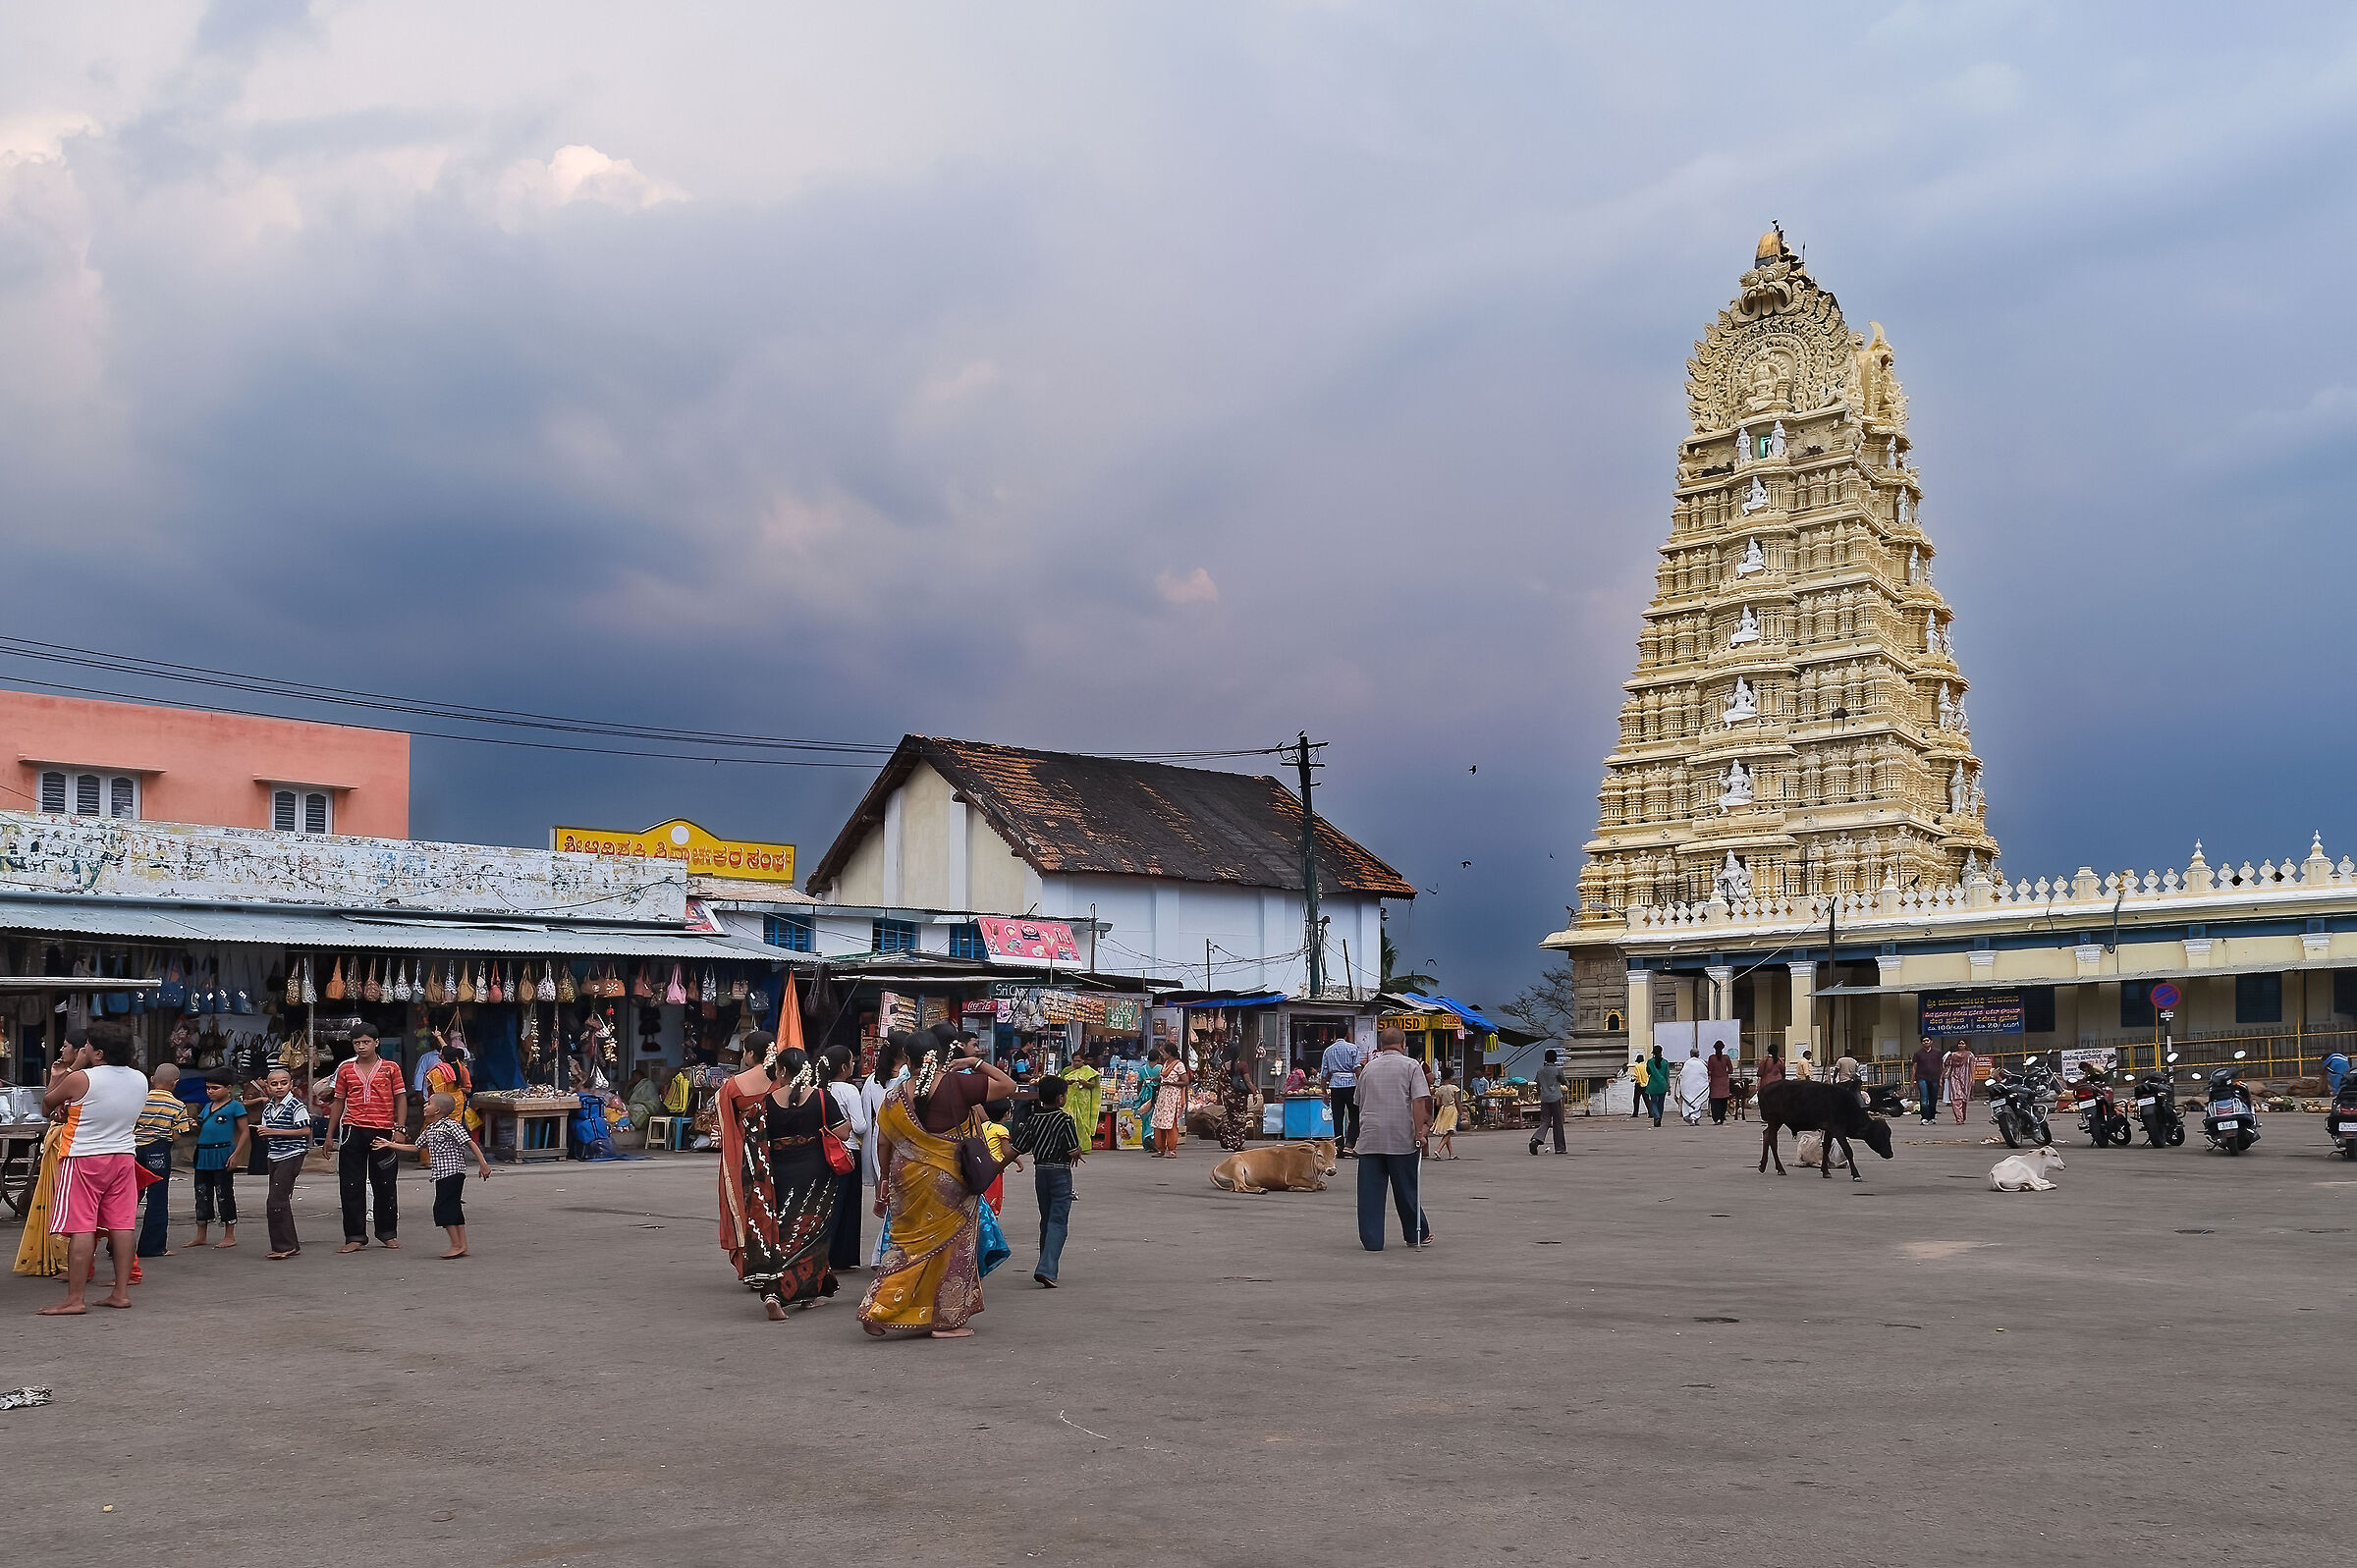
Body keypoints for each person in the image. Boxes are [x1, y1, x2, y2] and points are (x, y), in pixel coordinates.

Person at [860, 1041, 1020, 1338]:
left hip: (907, 1182)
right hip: (950, 1182)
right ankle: (944, 1321)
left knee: (906, 1247)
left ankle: (878, 1307)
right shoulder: (957, 1085)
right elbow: (1008, 1086)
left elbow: (883, 1143)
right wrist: (973, 1063)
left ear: (907, 1058)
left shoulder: (894, 1096)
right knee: (951, 1247)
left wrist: (884, 1180)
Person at [715, 1029, 851, 1321]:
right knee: (810, 1232)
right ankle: (795, 1294)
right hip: (816, 1173)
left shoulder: (767, 1102)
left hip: (778, 1174)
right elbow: (843, 1131)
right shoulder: (821, 1098)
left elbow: (753, 1139)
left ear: (780, 1070)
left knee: (783, 1231)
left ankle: (782, 1293)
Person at [36, 1027, 147, 1314]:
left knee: (81, 1227)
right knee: (122, 1225)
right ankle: (120, 1293)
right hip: (123, 1155)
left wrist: (68, 1070)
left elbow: (47, 1104)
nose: (82, 1050)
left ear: (98, 1053)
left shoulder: (81, 1077)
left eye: (86, 1047)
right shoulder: (139, 1079)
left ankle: (75, 1299)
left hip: (83, 1156)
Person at [371, 1092, 492, 1260]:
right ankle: (462, 1245)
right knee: (453, 1207)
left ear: (438, 1110)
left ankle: (456, 1245)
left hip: (453, 1172)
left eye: (429, 1104)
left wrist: (483, 1163)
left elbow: (469, 1143)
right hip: (441, 1174)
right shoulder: (430, 1128)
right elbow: (416, 1147)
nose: (424, 1106)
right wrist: (390, 1144)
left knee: (443, 1208)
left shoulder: (451, 1125)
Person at [1352, 1028, 1431, 1252]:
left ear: (1381, 1044)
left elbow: (1358, 1102)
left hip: (1370, 1138)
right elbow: (1418, 1101)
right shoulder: (1411, 1066)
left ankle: (1372, 1240)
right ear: (1403, 1043)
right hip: (1401, 1137)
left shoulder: (1368, 1069)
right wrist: (1419, 1133)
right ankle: (1416, 1234)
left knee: (1370, 1193)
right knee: (1406, 1189)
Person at [330, 1025, 406, 1252]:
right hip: (352, 1130)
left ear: (376, 1042)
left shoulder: (391, 1068)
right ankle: (354, 1236)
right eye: (357, 1043)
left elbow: (400, 1098)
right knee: (350, 1184)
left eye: (366, 1042)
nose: (361, 1047)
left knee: (385, 1183)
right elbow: (338, 1102)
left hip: (382, 1132)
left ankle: (387, 1232)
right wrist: (328, 1135)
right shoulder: (345, 1069)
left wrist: (400, 1128)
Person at [1009, 1073, 1082, 1286]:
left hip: (1040, 1172)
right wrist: (1076, 1153)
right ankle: (1047, 1268)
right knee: (1058, 1220)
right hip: (1060, 1171)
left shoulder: (1033, 1120)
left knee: (1046, 1218)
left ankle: (1045, 1263)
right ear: (1061, 1098)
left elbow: (1019, 1147)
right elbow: (1072, 1148)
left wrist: (1000, 1163)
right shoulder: (1064, 1119)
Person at [136, 1061, 195, 1259]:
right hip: (158, 1151)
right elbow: (178, 1135)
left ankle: (116, 1245)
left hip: (133, 1150)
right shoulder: (177, 1106)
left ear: (152, 1080)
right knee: (157, 1199)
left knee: (128, 1197)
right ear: (175, 1083)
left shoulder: (138, 1099)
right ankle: (152, 1247)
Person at [822, 1046, 870, 1272]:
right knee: (847, 1204)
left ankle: (824, 1253)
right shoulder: (849, 1090)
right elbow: (860, 1125)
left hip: (824, 1152)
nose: (854, 1065)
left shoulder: (819, 1088)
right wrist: (848, 1124)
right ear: (844, 1067)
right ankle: (842, 1254)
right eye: (852, 1061)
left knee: (829, 1203)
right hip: (847, 1151)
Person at [189, 1073, 249, 1250]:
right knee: (201, 1194)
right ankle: (201, 1235)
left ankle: (229, 1235)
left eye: (215, 1088)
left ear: (228, 1088)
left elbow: (244, 1132)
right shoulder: (207, 1107)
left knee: (224, 1194)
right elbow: (201, 1129)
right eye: (208, 1088)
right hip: (203, 1154)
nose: (210, 1091)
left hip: (222, 1153)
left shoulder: (235, 1107)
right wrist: (193, 1126)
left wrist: (236, 1154)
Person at [257, 1066, 311, 1260]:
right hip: (275, 1156)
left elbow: (305, 1131)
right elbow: (267, 1128)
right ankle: (288, 1244)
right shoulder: (269, 1107)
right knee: (279, 1200)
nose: (279, 1087)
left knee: (276, 1200)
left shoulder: (297, 1106)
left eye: (283, 1083)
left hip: (292, 1154)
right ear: (268, 1086)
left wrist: (273, 1132)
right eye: (274, 1084)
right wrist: (265, 1132)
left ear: (290, 1084)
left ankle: (285, 1246)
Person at [1320, 1033, 1364, 1155]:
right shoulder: (1353, 1048)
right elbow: (1357, 1069)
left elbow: (1324, 1073)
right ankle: (1349, 1145)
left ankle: (1339, 1146)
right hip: (1351, 1085)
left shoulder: (1328, 1050)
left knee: (1337, 1117)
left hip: (1335, 1086)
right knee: (1355, 1115)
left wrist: (1324, 1092)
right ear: (1347, 1035)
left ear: (1334, 1035)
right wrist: (1362, 1085)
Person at [1149, 1047, 1191, 1159]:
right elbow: (1162, 1078)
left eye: (1163, 1052)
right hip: (1163, 1097)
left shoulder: (1179, 1065)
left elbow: (1185, 1081)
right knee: (1159, 1122)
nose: (1162, 1054)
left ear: (1169, 1053)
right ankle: (1160, 1149)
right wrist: (1156, 1079)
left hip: (1172, 1096)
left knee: (1170, 1123)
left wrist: (1171, 1084)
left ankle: (1172, 1149)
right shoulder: (1166, 1063)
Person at [1061, 1048, 1104, 1155]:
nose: (1076, 1063)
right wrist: (1067, 1083)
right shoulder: (1066, 1070)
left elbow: (1093, 1085)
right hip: (1069, 1099)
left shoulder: (1088, 1071)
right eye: (1074, 1060)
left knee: (1082, 1123)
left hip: (1083, 1101)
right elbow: (1060, 1083)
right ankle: (1068, 1146)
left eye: (1079, 1061)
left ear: (1083, 1061)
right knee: (1069, 1121)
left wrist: (1083, 1082)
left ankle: (1083, 1146)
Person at [1527, 1049, 1568, 1156]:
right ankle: (1560, 1148)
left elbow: (1537, 1084)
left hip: (1544, 1098)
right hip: (1555, 1098)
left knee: (1545, 1121)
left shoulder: (1540, 1070)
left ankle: (1536, 1139)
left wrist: (1541, 1092)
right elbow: (1564, 1081)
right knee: (1557, 1123)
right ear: (1555, 1059)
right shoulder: (1558, 1070)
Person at [1217, 1045, 1253, 1153]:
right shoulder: (1242, 1065)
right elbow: (1247, 1081)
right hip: (1239, 1097)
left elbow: (1219, 1083)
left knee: (1231, 1118)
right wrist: (1254, 1092)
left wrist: (1219, 1097)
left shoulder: (1224, 1067)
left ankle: (1226, 1138)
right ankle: (1237, 1143)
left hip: (1227, 1097)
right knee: (1240, 1120)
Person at [1430, 1064, 1461, 1160]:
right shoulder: (1454, 1088)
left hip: (1443, 1110)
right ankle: (1438, 1150)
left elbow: (1438, 1104)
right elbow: (1457, 1101)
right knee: (1449, 1132)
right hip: (1452, 1110)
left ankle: (1451, 1154)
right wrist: (1461, 1112)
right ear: (1451, 1077)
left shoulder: (1440, 1089)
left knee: (1447, 1132)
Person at [1912, 1038, 1946, 1124]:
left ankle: (1932, 1117)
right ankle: (1924, 1118)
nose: (1926, 1042)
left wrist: (1941, 1078)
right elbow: (1914, 1067)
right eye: (1924, 1041)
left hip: (1934, 1078)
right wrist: (1912, 1080)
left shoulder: (1937, 1053)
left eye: (1927, 1040)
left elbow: (1942, 1066)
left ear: (1931, 1041)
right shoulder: (1918, 1054)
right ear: (1921, 1043)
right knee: (1924, 1098)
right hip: (1921, 1078)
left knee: (1933, 1099)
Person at [1944, 1043, 1977, 1125]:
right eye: (1959, 1043)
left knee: (1964, 1099)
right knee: (1955, 1098)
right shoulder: (1952, 1055)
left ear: (1966, 1045)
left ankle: (1962, 1116)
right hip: (1954, 1077)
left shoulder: (1970, 1055)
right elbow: (1946, 1066)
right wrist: (1942, 1077)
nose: (1961, 1045)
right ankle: (1959, 1118)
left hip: (1966, 1078)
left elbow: (1972, 1067)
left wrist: (1973, 1079)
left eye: (1963, 1043)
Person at [1677, 1047, 1710, 1125]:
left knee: (1689, 1102)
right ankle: (1694, 1118)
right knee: (1697, 1102)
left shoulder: (1687, 1063)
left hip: (1688, 1088)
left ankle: (1691, 1117)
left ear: (1691, 1054)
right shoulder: (1702, 1063)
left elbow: (1683, 1075)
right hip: (1698, 1088)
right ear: (1698, 1055)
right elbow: (1705, 1075)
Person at [1641, 1046, 1671, 1127]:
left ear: (1653, 1053)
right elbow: (1667, 1075)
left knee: (1654, 1103)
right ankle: (1659, 1118)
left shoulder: (1650, 1062)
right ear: (1661, 1052)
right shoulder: (1665, 1062)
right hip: (1662, 1085)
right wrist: (1668, 1087)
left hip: (1653, 1085)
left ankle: (1656, 1117)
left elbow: (1648, 1072)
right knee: (1661, 1103)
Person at [1706, 1042, 1733, 1124]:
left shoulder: (1711, 1058)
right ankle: (1722, 1117)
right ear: (1723, 1048)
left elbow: (1709, 1070)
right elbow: (1731, 1070)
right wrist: (1725, 1073)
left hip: (1714, 1082)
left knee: (1715, 1102)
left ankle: (1716, 1118)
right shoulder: (1726, 1058)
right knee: (1724, 1101)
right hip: (1724, 1081)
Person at [1627, 1054, 1648, 1118]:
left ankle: (1635, 1113)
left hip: (1639, 1084)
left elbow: (1636, 1076)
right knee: (1646, 1099)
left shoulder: (1637, 1066)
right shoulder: (1646, 1066)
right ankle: (1651, 1113)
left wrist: (1632, 1079)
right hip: (1646, 1083)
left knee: (1636, 1099)